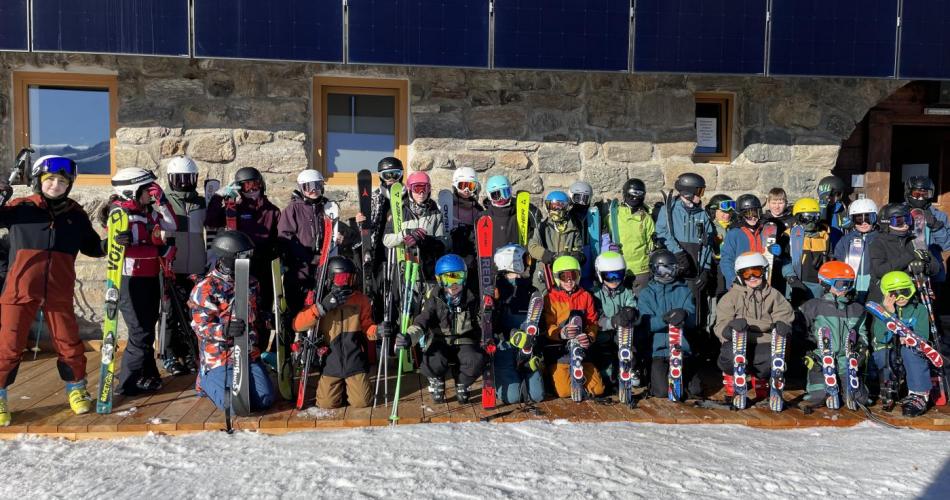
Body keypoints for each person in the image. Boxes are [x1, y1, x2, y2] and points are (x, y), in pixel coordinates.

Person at [0, 156, 107, 425]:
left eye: (62, 181)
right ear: (38, 181)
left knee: (69, 342)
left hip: (58, 290)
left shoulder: (76, 215)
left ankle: (76, 389)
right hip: (19, 288)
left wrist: (114, 240)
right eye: (50, 180)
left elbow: (93, 248)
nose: (56, 185)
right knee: (9, 346)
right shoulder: (20, 208)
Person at [108, 167, 179, 395]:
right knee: (140, 332)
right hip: (131, 280)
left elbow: (172, 225)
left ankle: (147, 375)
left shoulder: (147, 212)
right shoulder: (119, 214)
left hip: (150, 277)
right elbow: (121, 253)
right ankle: (127, 383)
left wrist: (163, 201)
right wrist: (159, 250)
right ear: (132, 190)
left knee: (148, 328)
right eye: (147, 189)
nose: (151, 193)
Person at [189, 231, 275, 412]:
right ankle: (205, 380)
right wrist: (224, 330)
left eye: (249, 255)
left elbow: (255, 314)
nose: (249, 260)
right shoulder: (206, 287)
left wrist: (269, 319)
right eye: (244, 256)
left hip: (247, 354)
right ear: (228, 257)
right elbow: (199, 326)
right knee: (236, 407)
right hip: (220, 357)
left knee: (264, 399)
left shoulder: (251, 283)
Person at [206, 167, 280, 350]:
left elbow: (280, 239)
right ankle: (236, 347)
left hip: (262, 267)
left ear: (261, 185)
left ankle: (259, 349)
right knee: (239, 307)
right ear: (240, 189)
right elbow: (210, 221)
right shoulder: (234, 210)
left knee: (261, 310)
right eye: (246, 186)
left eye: (254, 184)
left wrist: (280, 260)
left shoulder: (272, 211)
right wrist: (218, 197)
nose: (251, 190)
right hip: (240, 267)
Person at [395, 254, 485, 404]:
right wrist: (409, 337)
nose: (453, 284)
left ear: (465, 277)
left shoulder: (472, 298)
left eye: (457, 277)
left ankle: (462, 381)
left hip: (464, 341)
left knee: (476, 360)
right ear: (440, 280)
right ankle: (437, 379)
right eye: (448, 279)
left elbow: (482, 321)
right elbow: (422, 320)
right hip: (440, 341)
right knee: (432, 361)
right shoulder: (434, 299)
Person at [292, 256, 377, 409]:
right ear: (330, 279)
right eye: (341, 279)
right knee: (326, 404)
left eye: (350, 279)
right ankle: (340, 388)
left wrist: (379, 331)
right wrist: (320, 308)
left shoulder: (360, 300)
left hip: (354, 359)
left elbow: (368, 327)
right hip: (330, 360)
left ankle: (350, 387)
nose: (346, 284)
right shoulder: (318, 297)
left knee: (362, 403)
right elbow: (297, 325)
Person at [714, 252, 795, 404]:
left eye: (756, 272)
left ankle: (761, 381)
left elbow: (784, 314)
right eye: (746, 273)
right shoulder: (731, 297)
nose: (752, 277)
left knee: (772, 358)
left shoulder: (774, 295)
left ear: (764, 271)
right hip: (738, 340)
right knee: (730, 355)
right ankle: (733, 381)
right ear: (739, 276)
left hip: (764, 341)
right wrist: (729, 328)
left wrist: (782, 325)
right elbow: (720, 323)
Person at [277, 169, 347, 319]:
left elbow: (332, 233)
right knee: (297, 312)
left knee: (319, 310)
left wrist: (338, 239)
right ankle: (292, 339)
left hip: (322, 270)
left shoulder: (327, 208)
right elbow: (285, 239)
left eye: (317, 185)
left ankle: (312, 340)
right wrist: (309, 258)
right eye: (308, 187)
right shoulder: (293, 209)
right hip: (299, 271)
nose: (314, 190)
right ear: (301, 189)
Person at [799, 261, 868, 409]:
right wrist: (809, 352)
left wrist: (862, 349)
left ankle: (849, 389)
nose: (845, 288)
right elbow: (801, 332)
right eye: (840, 284)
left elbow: (862, 334)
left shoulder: (856, 309)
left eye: (849, 284)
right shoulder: (813, 306)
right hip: (821, 359)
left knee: (859, 399)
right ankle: (824, 387)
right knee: (818, 397)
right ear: (825, 283)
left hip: (846, 360)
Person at [161, 155, 206, 375]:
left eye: (188, 179)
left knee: (193, 314)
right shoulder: (163, 203)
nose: (184, 184)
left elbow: (215, 224)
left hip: (196, 265)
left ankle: (190, 352)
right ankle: (169, 354)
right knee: (170, 313)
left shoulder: (200, 203)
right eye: (179, 179)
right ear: (170, 179)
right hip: (173, 266)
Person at [636, 250, 700, 400]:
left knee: (694, 390)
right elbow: (646, 324)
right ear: (654, 270)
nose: (666, 274)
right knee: (663, 392)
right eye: (661, 270)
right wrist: (663, 320)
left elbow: (692, 322)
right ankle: (652, 378)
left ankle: (688, 376)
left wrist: (685, 315)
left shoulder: (684, 291)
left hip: (680, 349)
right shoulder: (647, 294)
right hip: (658, 351)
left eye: (670, 269)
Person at [654, 173, 714, 328]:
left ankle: (695, 338)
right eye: (699, 192)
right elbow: (662, 232)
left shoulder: (702, 214)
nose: (701, 196)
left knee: (694, 307)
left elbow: (707, 244)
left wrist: (705, 269)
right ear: (688, 192)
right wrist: (678, 252)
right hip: (676, 265)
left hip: (695, 268)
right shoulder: (669, 210)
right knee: (675, 302)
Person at [870, 272, 934, 417]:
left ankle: (919, 393)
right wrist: (889, 314)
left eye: (904, 292)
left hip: (910, 352)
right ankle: (889, 388)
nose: (900, 298)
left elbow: (923, 336)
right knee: (881, 353)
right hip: (889, 351)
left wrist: (912, 338)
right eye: (894, 294)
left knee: (911, 350)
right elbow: (881, 337)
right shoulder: (881, 310)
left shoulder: (919, 310)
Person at [541, 256, 604, 399]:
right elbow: (548, 325)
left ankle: (579, 380)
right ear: (557, 278)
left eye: (573, 276)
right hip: (560, 351)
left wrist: (589, 336)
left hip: (581, 350)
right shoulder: (550, 297)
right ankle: (552, 377)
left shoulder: (585, 296)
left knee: (598, 389)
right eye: (564, 277)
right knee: (565, 392)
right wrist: (560, 333)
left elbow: (592, 322)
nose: (569, 281)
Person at [492, 244, 544, 404]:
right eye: (526, 260)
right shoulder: (497, 290)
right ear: (513, 263)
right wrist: (511, 334)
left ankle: (525, 373)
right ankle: (508, 379)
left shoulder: (532, 291)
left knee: (537, 396)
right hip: (505, 346)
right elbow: (492, 324)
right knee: (511, 398)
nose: (530, 264)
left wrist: (533, 337)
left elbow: (539, 321)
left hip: (528, 346)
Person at [355, 156, 404, 321]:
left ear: (401, 175)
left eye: (395, 175)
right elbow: (366, 230)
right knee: (379, 294)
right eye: (386, 175)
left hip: (399, 255)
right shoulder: (374, 197)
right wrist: (360, 223)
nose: (391, 179)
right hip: (379, 256)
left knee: (398, 296)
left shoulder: (407, 198)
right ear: (380, 176)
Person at [382, 171, 448, 282]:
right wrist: (404, 234)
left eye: (425, 188)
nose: (421, 193)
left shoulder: (435, 213)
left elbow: (443, 244)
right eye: (417, 188)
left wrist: (424, 239)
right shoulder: (400, 211)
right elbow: (386, 240)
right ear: (410, 190)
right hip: (403, 272)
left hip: (427, 271)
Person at [868, 203, 940, 304]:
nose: (905, 224)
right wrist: (910, 256)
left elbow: (936, 268)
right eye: (899, 221)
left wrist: (923, 267)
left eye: (908, 220)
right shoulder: (878, 243)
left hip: (912, 298)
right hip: (886, 297)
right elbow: (880, 271)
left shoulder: (915, 241)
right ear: (887, 222)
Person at [591, 251, 639, 392]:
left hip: (622, 336)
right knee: (606, 378)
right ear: (600, 275)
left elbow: (633, 308)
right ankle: (609, 374)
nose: (614, 280)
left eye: (617, 275)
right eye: (609, 276)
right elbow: (596, 320)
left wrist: (630, 313)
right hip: (603, 338)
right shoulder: (596, 294)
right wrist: (612, 322)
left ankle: (630, 368)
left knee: (629, 345)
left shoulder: (626, 292)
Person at [902, 176, 950, 307]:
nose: (921, 198)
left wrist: (935, 226)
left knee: (932, 311)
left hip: (932, 271)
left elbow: (946, 245)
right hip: (905, 268)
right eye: (916, 194)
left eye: (925, 194)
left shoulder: (939, 216)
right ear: (908, 193)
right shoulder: (899, 212)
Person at [782, 198, 834, 306]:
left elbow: (831, 256)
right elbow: (784, 259)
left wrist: (827, 261)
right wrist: (791, 278)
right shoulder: (789, 235)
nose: (810, 222)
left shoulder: (824, 236)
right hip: (798, 283)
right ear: (797, 218)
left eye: (814, 218)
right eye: (805, 218)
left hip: (818, 285)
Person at [528, 191, 585, 291]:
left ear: (566, 208)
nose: (555, 210)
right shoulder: (542, 227)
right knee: (545, 299)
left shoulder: (573, 228)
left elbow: (579, 250)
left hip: (565, 273)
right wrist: (550, 256)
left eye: (560, 206)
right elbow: (532, 246)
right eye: (552, 206)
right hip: (546, 270)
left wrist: (573, 255)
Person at [608, 179, 655, 294]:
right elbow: (605, 238)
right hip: (619, 267)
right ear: (625, 194)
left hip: (641, 270)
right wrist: (608, 248)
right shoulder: (614, 215)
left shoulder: (646, 218)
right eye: (631, 195)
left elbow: (651, 244)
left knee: (642, 304)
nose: (634, 198)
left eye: (638, 195)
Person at [445, 167, 484, 293]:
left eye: (471, 186)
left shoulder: (477, 210)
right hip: (451, 259)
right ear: (455, 185)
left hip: (470, 260)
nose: (467, 190)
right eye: (463, 185)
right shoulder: (447, 206)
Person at [833, 198, 878, 303]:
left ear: (875, 218)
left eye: (868, 218)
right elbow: (839, 262)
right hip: (852, 287)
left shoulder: (879, 239)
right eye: (859, 219)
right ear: (852, 220)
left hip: (872, 287)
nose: (864, 223)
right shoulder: (846, 240)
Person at [720, 194, 769, 290]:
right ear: (741, 215)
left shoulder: (765, 231)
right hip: (743, 281)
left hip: (761, 280)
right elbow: (726, 260)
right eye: (748, 215)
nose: (753, 218)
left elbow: (771, 256)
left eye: (756, 213)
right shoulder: (734, 233)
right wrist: (733, 280)